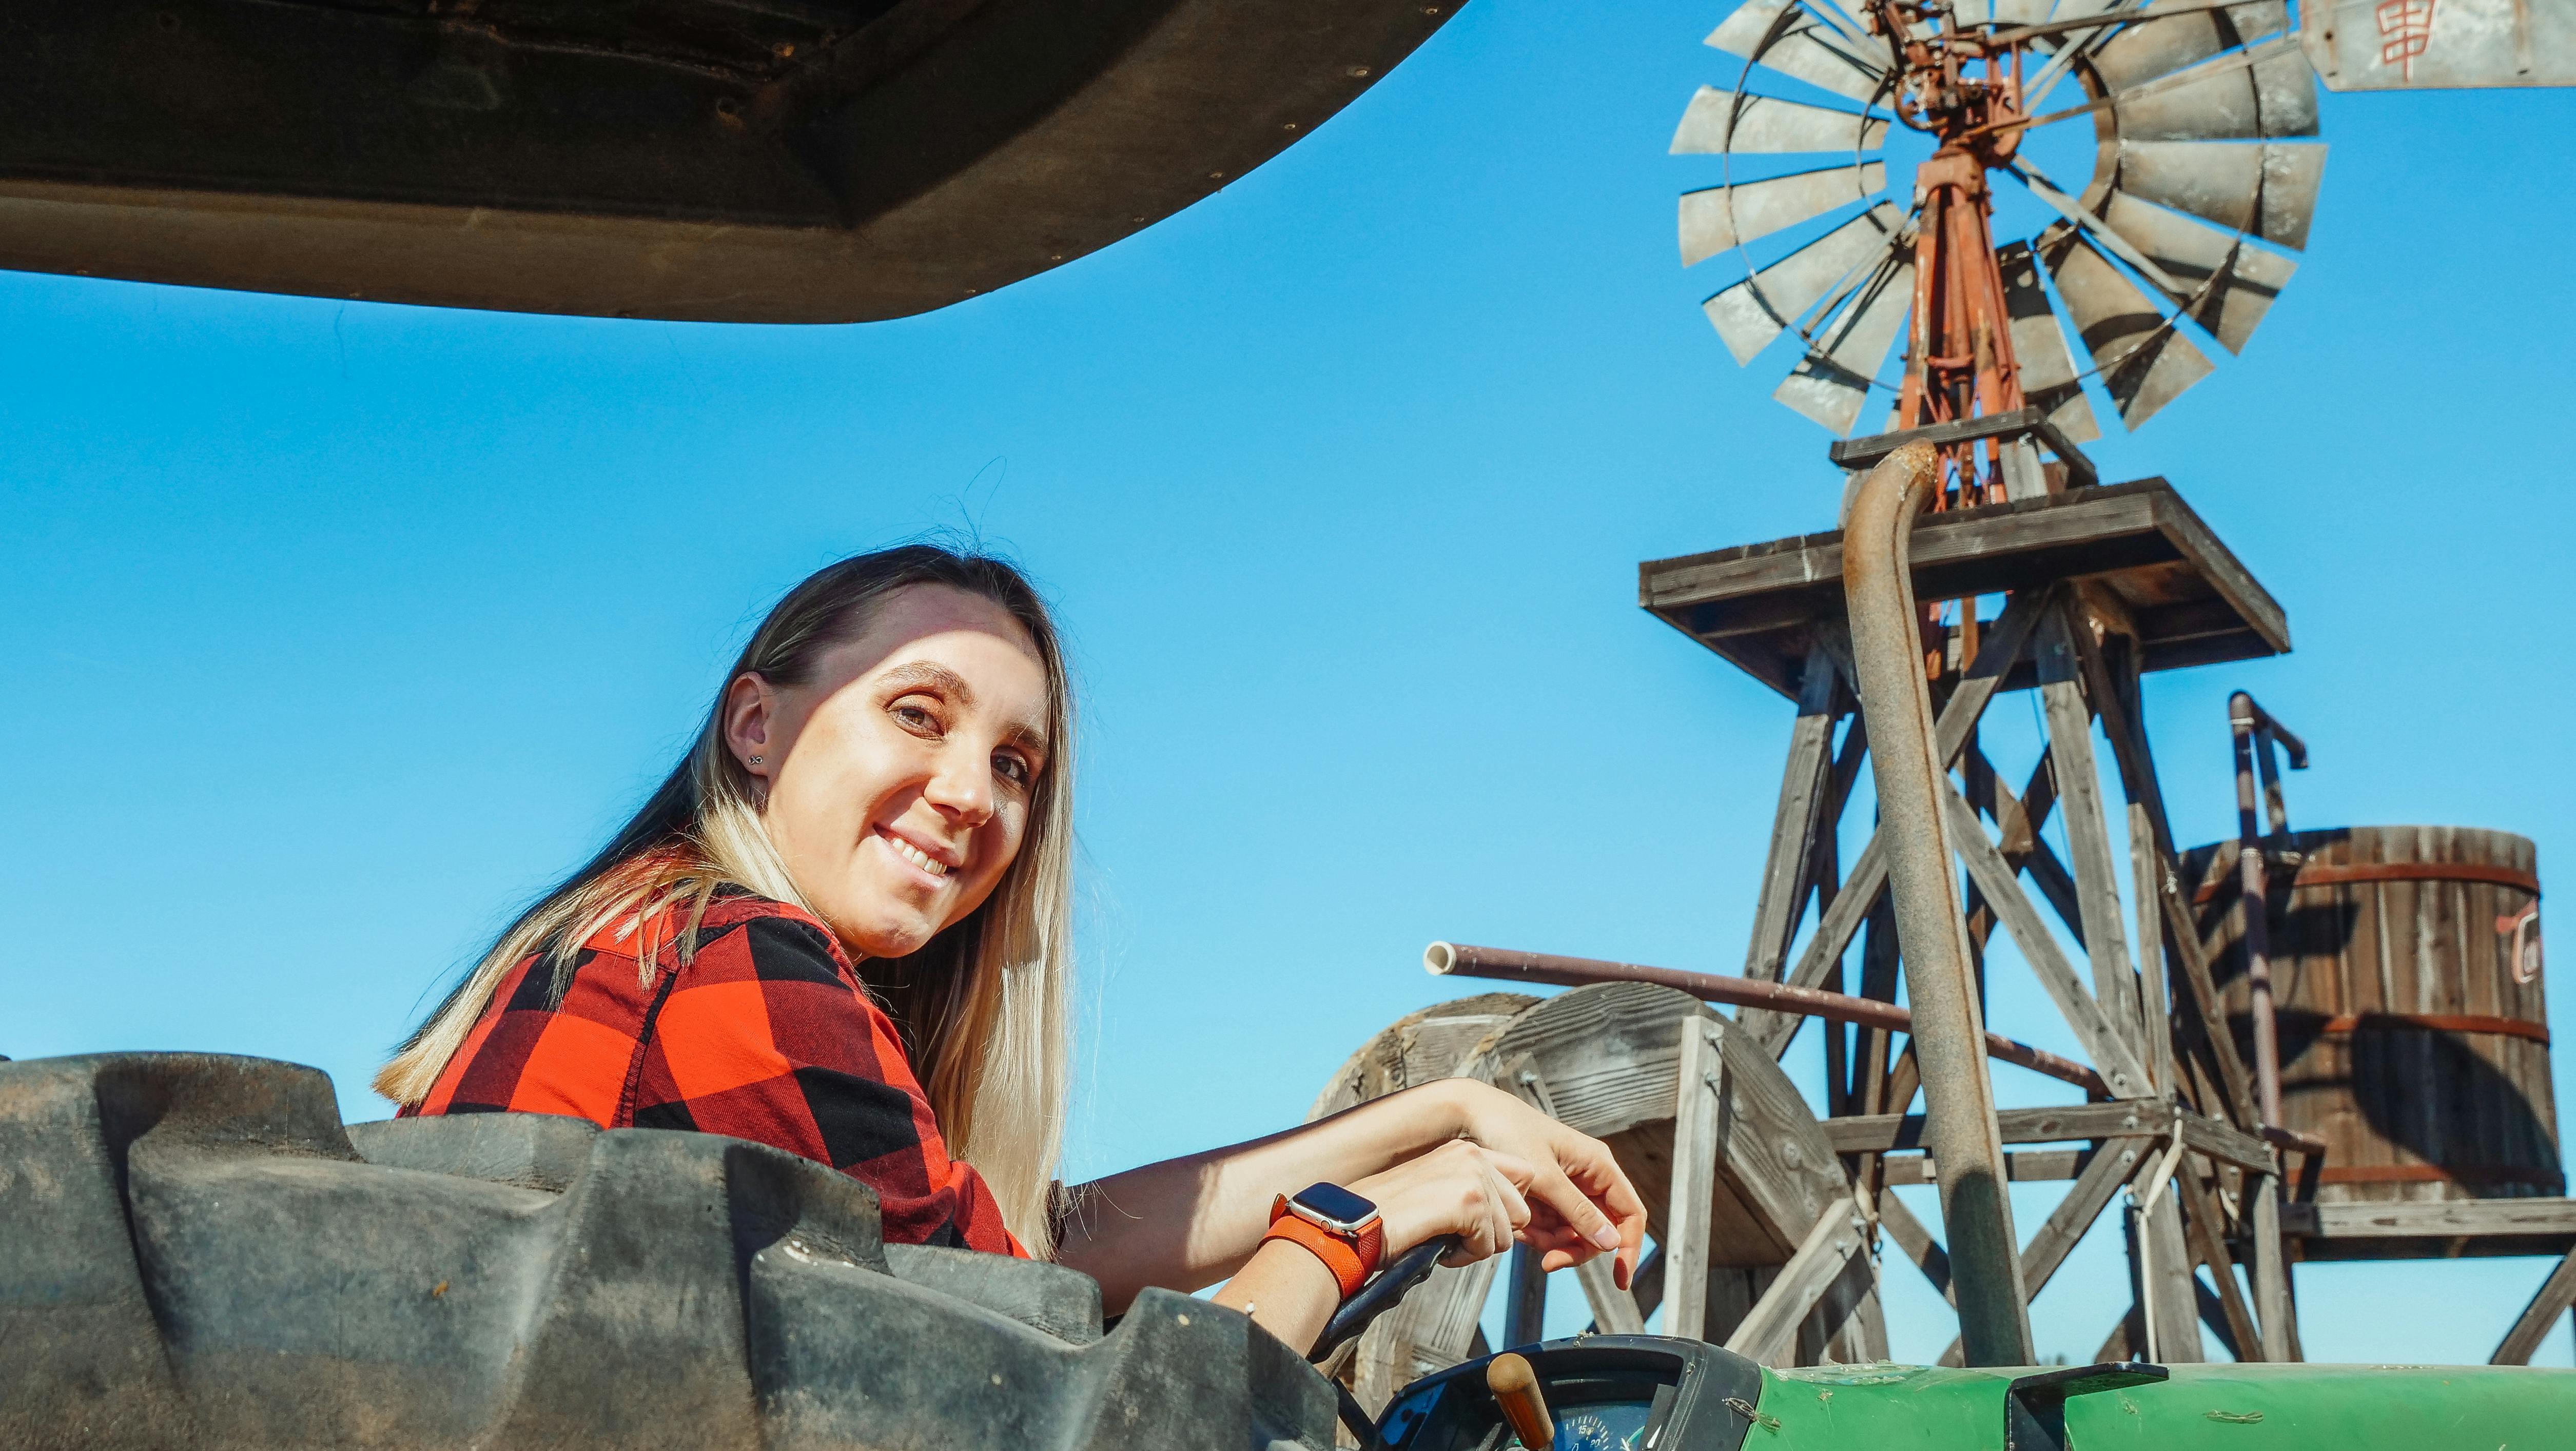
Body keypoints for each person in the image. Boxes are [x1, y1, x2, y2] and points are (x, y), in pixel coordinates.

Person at [377, 545, 1644, 1354]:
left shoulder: (636, 930)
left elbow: (1030, 1257)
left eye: (1013, 765)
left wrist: (1442, 1113)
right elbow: (1047, 1405)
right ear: (756, 725)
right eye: (915, 714)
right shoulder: (736, 963)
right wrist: (1348, 1228)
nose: (970, 795)